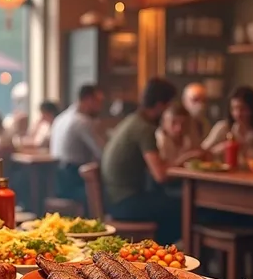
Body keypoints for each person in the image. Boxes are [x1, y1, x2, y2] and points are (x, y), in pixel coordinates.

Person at [101, 77, 181, 241]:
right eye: (168, 105)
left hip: (114, 199)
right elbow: (160, 175)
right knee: (182, 207)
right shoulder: (145, 128)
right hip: (124, 203)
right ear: (159, 105)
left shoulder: (132, 120)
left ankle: (159, 253)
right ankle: (162, 256)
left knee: (170, 202)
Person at [50, 84, 104, 204]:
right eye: (98, 102)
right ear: (88, 99)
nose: (100, 107)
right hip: (74, 181)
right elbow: (102, 153)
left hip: (58, 181)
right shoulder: (82, 121)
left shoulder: (61, 118)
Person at [201, 86, 253, 157]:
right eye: (234, 108)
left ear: (252, 109)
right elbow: (202, 151)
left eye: (243, 109)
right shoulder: (223, 127)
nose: (238, 114)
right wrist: (221, 148)